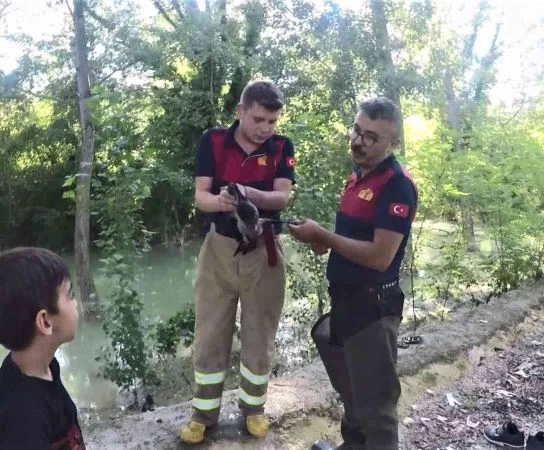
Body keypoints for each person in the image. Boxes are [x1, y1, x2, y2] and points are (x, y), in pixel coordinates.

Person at [289, 97, 417, 450]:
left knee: (377, 407)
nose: (359, 141)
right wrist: (323, 241)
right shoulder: (358, 176)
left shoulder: (396, 185)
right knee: (351, 390)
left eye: (371, 137)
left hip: (372, 307)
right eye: (357, 130)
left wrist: (324, 235)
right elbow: (354, 238)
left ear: (393, 143)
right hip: (345, 300)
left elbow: (379, 257)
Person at [179, 80, 296, 444]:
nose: (266, 128)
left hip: (265, 250)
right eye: (258, 119)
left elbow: (282, 198)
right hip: (219, 248)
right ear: (240, 111)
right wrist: (221, 202)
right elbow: (201, 196)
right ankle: (203, 414)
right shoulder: (213, 141)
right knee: (210, 333)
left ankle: (254, 410)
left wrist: (248, 194)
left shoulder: (282, 147)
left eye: (272, 121)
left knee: (260, 335)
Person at [0, 247, 86, 450]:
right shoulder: (21, 415)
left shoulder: (46, 366)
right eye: (70, 295)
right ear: (45, 322)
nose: (76, 303)